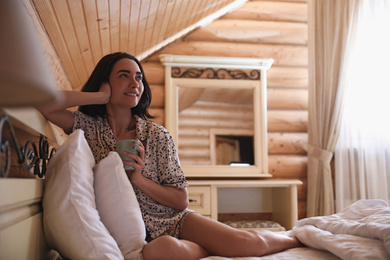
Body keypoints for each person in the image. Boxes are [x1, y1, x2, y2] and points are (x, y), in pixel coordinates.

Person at [39, 52, 301, 260]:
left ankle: (298, 236)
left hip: (174, 220)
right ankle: (208, 249)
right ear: (106, 82)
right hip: (135, 232)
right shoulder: (89, 127)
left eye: (139, 77)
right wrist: (99, 95)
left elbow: (181, 200)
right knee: (158, 252)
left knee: (245, 244)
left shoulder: (157, 135)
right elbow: (45, 103)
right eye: (124, 75)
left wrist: (139, 179)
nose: (135, 83)